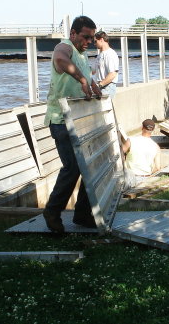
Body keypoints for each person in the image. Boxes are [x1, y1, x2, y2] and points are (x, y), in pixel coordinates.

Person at [43, 16, 101, 233]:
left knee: (89, 167)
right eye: (85, 37)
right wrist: (84, 80)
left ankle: (83, 215)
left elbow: (84, 74)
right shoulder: (64, 47)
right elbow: (60, 60)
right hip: (61, 121)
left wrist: (93, 84)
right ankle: (52, 211)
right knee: (73, 167)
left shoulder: (82, 55)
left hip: (80, 121)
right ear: (73, 34)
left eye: (92, 38)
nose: (89, 41)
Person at [122, 119, 161, 187]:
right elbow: (158, 168)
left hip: (131, 178)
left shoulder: (131, 140)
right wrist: (149, 174)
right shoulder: (156, 147)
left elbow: (120, 152)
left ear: (142, 127)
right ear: (152, 130)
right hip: (146, 179)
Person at [91, 31, 119, 99]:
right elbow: (92, 71)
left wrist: (99, 85)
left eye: (95, 41)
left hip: (108, 87)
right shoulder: (100, 55)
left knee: (104, 108)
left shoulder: (110, 54)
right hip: (101, 87)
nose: (94, 44)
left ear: (101, 40)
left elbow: (112, 74)